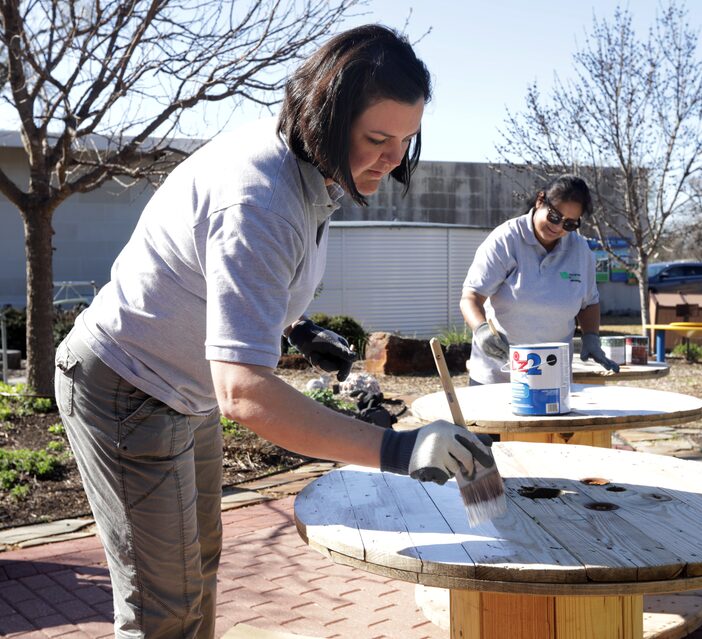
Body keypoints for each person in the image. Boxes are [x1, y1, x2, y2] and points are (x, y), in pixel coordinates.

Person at [54, 25, 495, 639]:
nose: (393, 158)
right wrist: (397, 450)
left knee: (196, 567)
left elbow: (230, 282)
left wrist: (295, 326)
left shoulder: (310, 162)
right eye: (376, 138)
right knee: (164, 608)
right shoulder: (261, 199)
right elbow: (244, 393)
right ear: (327, 116)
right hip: (128, 385)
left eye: (406, 139)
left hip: (183, 385)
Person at [459, 175, 620, 386]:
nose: (559, 228)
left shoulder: (580, 250)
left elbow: (589, 302)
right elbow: (471, 297)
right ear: (540, 200)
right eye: (554, 216)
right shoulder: (506, 240)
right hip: (499, 376)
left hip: (552, 378)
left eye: (570, 224)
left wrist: (591, 336)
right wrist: (481, 330)